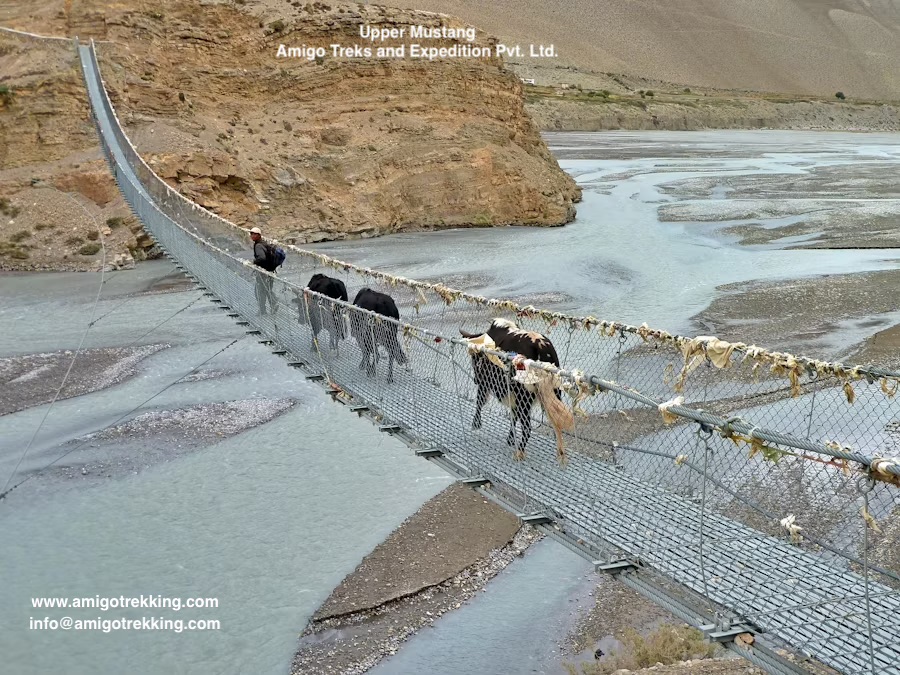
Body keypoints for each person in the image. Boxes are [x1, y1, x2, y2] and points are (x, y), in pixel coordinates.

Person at [248, 226, 277, 315]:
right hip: (270, 271)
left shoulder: (258, 245)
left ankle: (266, 308)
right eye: (251, 234)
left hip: (263, 272)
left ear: (258, 235)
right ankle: (267, 308)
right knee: (266, 289)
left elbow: (262, 257)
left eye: (254, 234)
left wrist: (254, 262)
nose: (252, 236)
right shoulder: (264, 243)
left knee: (260, 291)